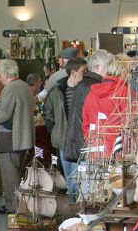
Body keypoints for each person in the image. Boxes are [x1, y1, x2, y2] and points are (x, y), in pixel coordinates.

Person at [0, 58, 34, 215]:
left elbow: (4, 114)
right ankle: (15, 204)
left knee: (10, 176)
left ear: (5, 73)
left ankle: (14, 206)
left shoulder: (10, 89)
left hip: (11, 139)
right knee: (17, 174)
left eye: (0, 75)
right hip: (24, 137)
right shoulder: (24, 86)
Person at [43, 59, 88, 201]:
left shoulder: (85, 89)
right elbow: (47, 112)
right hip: (63, 140)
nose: (85, 74)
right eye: (83, 71)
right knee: (70, 179)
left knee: (81, 178)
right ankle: (71, 210)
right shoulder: (57, 91)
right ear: (74, 73)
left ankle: (79, 208)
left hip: (81, 140)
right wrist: (55, 130)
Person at [61, 49, 107, 174]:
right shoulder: (90, 86)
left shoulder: (85, 85)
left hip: (82, 142)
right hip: (84, 143)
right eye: (107, 67)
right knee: (80, 184)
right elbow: (87, 118)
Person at [82, 53, 130, 158]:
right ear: (123, 71)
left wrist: (93, 141)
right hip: (119, 151)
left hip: (96, 150)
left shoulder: (91, 93)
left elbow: (86, 124)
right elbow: (132, 122)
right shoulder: (124, 92)